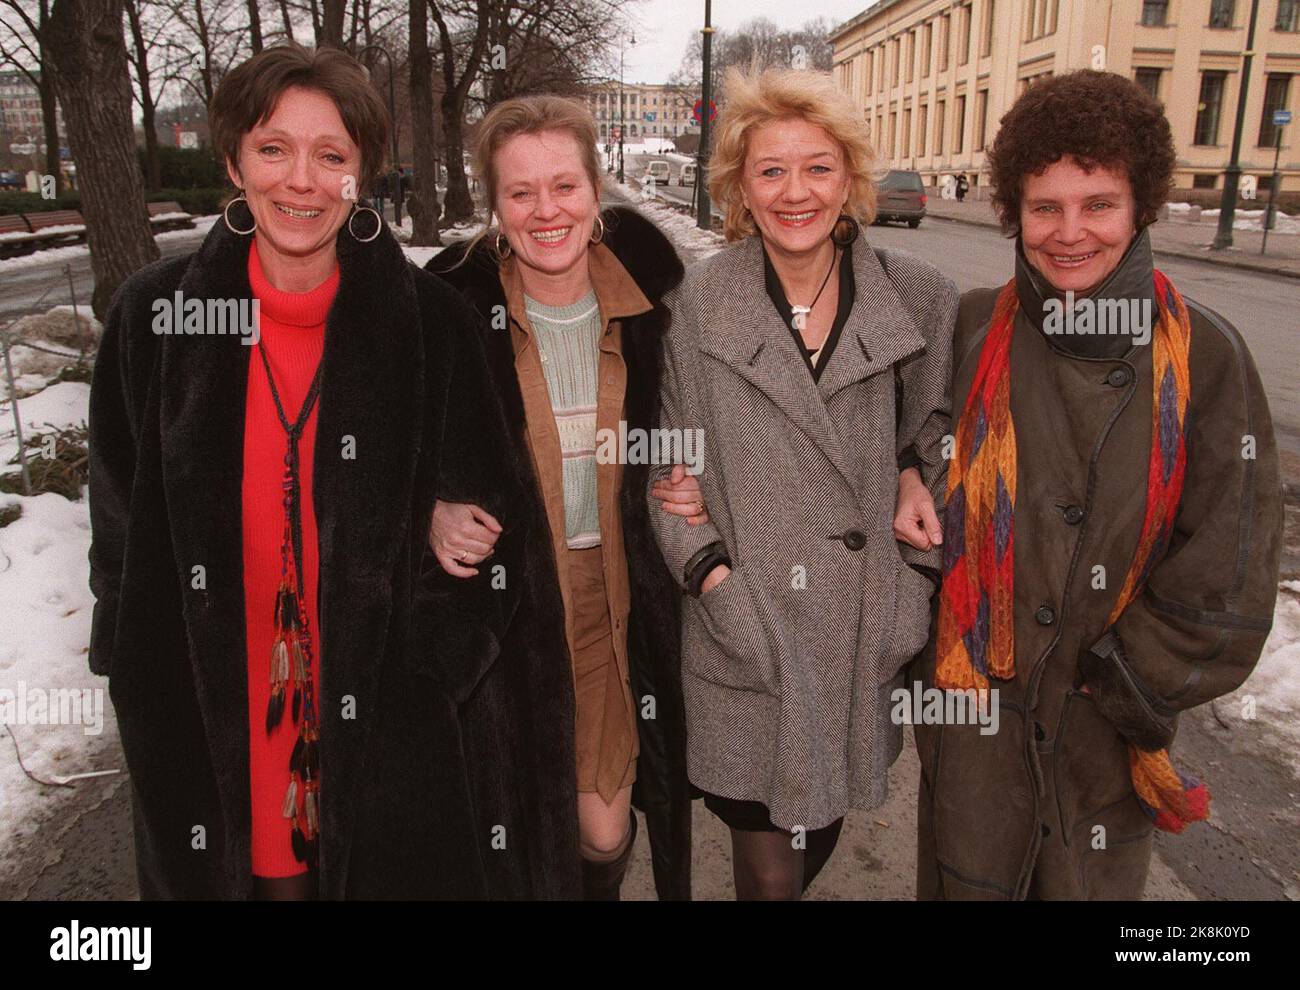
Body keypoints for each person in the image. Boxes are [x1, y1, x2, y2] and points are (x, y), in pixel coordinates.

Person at [87, 44, 527, 899]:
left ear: (363, 175)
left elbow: (494, 514)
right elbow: (116, 521)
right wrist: (135, 669)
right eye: (272, 148)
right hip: (214, 706)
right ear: (232, 161)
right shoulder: (156, 316)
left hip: (383, 717)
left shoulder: (434, 325)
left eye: (332, 156)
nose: (302, 181)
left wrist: (435, 668)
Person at [904, 70, 1282, 900]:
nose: (1069, 232)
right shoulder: (969, 326)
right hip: (974, 730)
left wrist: (1118, 678)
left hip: (1102, 738)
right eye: (1044, 207)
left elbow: (1229, 570)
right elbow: (902, 452)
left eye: (1098, 204)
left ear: (1140, 204)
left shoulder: (1208, 359)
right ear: (1014, 210)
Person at [648, 67, 956, 900]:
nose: (796, 192)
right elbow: (665, 464)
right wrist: (713, 579)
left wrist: (909, 576)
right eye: (771, 170)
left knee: (817, 826)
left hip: (859, 630)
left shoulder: (918, 297)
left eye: (818, 167)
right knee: (764, 855)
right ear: (740, 190)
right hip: (745, 623)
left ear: (850, 178)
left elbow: (938, 445)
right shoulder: (702, 304)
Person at [427, 95, 699, 900]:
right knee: (510, 825)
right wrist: (429, 511)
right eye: (521, 193)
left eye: (565, 187)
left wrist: (690, 474)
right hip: (505, 609)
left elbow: (706, 422)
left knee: (603, 828)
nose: (547, 211)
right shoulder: (449, 317)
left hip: (610, 595)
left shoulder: (661, 311)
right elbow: (385, 449)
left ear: (596, 188)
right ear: (495, 205)